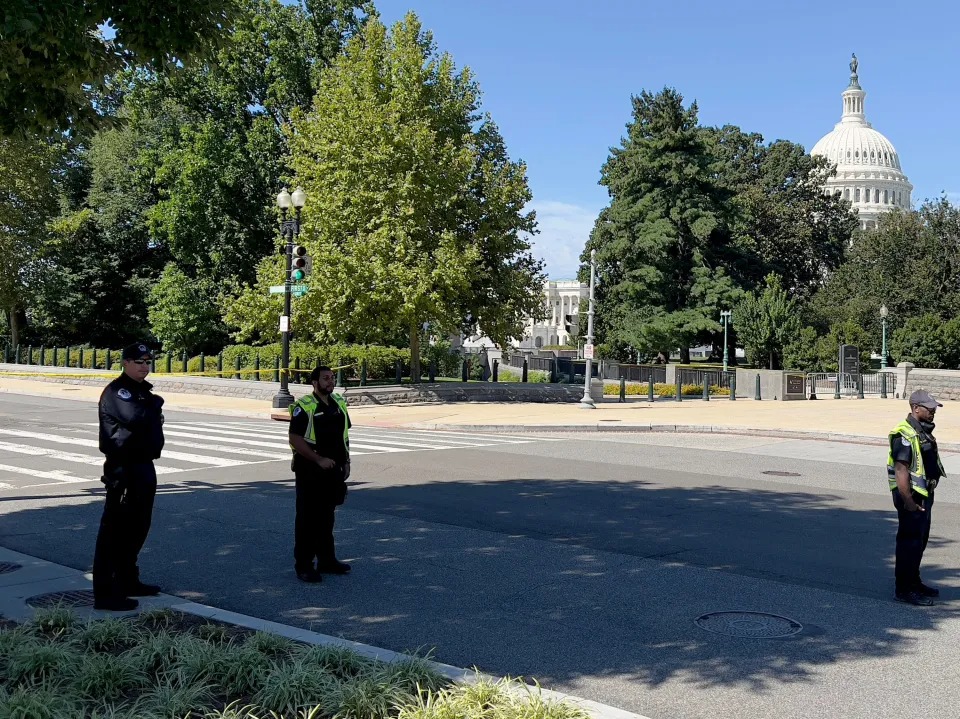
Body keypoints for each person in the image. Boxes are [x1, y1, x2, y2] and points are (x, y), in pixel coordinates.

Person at [92, 342, 165, 611]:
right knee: (115, 531)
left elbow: (146, 417)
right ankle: (106, 592)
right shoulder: (118, 391)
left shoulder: (141, 392)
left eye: (148, 362)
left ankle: (127, 580)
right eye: (139, 362)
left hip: (144, 464)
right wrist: (155, 404)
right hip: (123, 466)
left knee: (138, 526)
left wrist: (152, 405)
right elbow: (134, 417)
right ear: (125, 363)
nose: (144, 366)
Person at [288, 365, 352, 583]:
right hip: (310, 471)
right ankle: (304, 565)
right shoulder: (304, 407)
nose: (330, 382)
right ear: (314, 383)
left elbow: (344, 436)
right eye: (325, 378)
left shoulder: (339, 404)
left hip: (333, 470)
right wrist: (318, 459)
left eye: (332, 378)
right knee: (307, 519)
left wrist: (346, 462)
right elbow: (295, 439)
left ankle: (327, 560)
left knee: (327, 517)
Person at [887, 390, 946, 606]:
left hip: (923, 494)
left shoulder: (922, 430)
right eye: (929, 408)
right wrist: (909, 502)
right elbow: (901, 469)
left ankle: (914, 581)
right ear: (915, 408)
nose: (932, 411)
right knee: (908, 544)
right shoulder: (904, 433)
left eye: (933, 408)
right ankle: (903, 590)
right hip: (911, 497)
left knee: (919, 542)